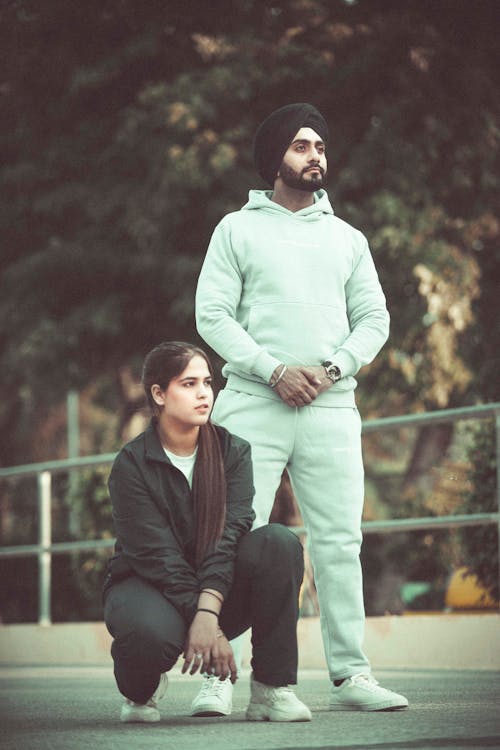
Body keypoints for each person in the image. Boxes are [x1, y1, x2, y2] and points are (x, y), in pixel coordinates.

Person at [194, 103, 409, 713]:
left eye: (319, 144)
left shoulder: (349, 239)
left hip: (331, 405)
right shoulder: (236, 229)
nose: (315, 154)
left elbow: (375, 319)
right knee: (236, 534)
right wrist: (274, 370)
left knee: (341, 540)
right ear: (274, 159)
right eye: (300, 145)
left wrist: (332, 367)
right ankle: (218, 674)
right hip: (254, 401)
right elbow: (211, 315)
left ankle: (352, 674)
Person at [103, 341, 312, 723]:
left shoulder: (233, 452)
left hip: (212, 589)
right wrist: (208, 624)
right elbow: (157, 556)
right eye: (188, 384)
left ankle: (271, 689)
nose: (203, 394)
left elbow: (227, 537)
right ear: (158, 394)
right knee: (147, 637)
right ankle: (141, 688)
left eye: (207, 383)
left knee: (278, 544)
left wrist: (208, 612)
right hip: (150, 587)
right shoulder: (132, 465)